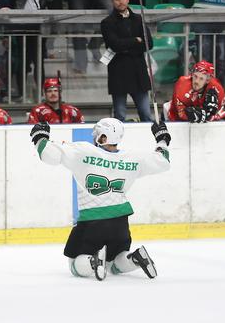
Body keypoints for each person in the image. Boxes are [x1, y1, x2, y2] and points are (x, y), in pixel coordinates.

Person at [29, 117, 171, 280]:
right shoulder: (132, 158)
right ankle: (134, 258)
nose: (94, 135)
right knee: (114, 263)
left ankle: (93, 261)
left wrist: (40, 137)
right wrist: (162, 139)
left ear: (104, 137)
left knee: (75, 264)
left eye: (98, 133)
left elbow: (50, 155)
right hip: (120, 221)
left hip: (92, 221)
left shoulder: (83, 151)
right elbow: (162, 161)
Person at [100, 0, 154, 122]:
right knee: (119, 116)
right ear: (112, 1)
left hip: (138, 72)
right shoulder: (107, 23)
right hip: (119, 72)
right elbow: (115, 45)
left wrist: (125, 45)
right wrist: (136, 40)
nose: (121, 2)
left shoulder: (138, 19)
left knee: (146, 114)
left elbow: (149, 43)